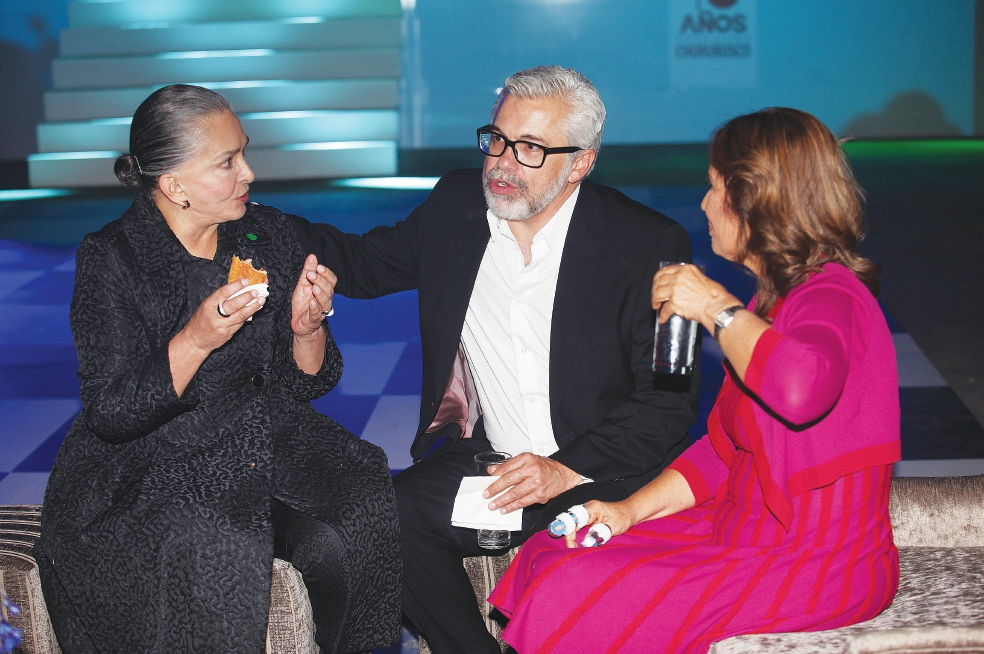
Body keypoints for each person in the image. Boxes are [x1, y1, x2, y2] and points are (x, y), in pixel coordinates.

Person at [288, 66, 699, 653]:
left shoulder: (647, 244)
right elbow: (359, 263)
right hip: (494, 467)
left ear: (580, 163)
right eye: (498, 139)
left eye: (530, 148)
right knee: (385, 520)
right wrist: (245, 218)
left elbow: (667, 404)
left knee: (579, 595)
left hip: (600, 471)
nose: (502, 163)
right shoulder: (457, 207)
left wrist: (563, 469)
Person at [489, 107, 902, 653]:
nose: (704, 204)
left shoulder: (833, 294)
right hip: (741, 529)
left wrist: (712, 305)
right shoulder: (772, 304)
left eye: (714, 187)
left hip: (815, 562)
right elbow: (724, 451)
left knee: (574, 589)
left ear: (755, 200)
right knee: (551, 552)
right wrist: (626, 511)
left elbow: (801, 391)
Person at [34, 85, 401, 654]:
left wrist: (306, 328)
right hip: (153, 462)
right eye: (227, 162)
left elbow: (310, 382)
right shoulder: (113, 258)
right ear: (173, 185)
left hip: (262, 436)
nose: (248, 172)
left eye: (243, 152)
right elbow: (112, 412)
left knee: (359, 507)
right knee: (214, 550)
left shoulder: (263, 233)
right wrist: (196, 339)